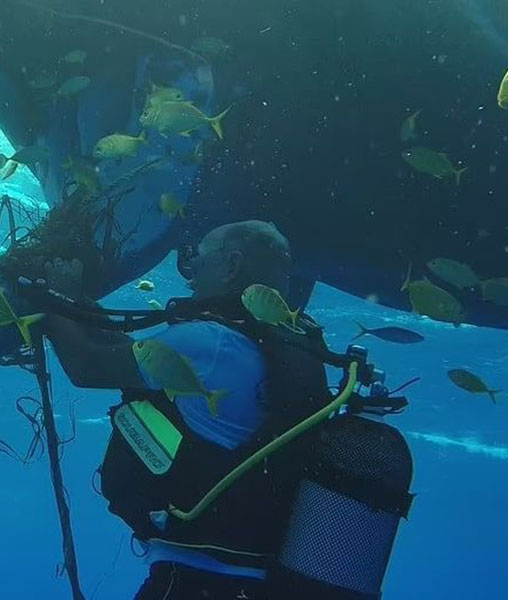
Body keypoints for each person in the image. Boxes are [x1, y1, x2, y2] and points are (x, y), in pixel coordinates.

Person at [43, 220, 335, 599]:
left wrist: (50, 299)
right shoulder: (291, 344)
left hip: (195, 582)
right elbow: (143, 360)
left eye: (196, 258)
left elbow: (88, 367)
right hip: (256, 579)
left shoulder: (210, 341)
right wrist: (80, 305)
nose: (190, 273)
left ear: (231, 265)